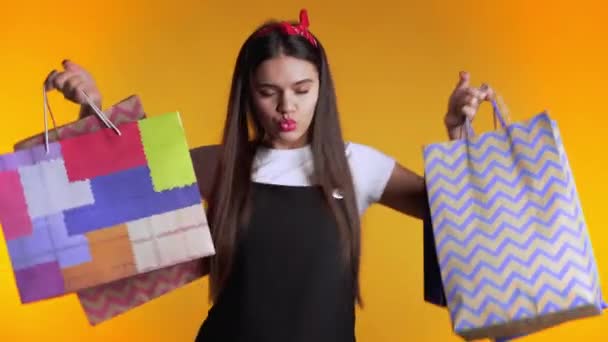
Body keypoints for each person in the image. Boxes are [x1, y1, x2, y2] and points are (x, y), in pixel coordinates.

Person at [44, 9, 493, 342]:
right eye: (268, 92)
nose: (287, 108)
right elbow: (111, 191)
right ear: (248, 95)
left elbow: (454, 210)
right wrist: (91, 106)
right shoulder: (220, 163)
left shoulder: (359, 164)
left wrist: (458, 132)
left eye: (302, 90)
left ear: (322, 89)